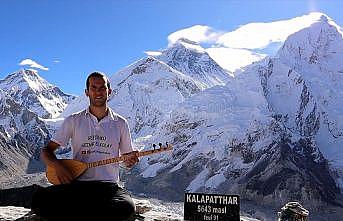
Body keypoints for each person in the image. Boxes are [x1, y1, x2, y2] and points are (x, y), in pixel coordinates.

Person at [31, 71, 139, 221]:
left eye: (102, 88)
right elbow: (46, 151)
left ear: (109, 91)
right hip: (78, 186)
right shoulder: (74, 121)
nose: (98, 92)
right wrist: (58, 166)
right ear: (87, 92)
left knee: (126, 207)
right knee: (40, 201)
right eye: (93, 88)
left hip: (109, 187)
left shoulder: (120, 123)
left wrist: (130, 161)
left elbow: (127, 161)